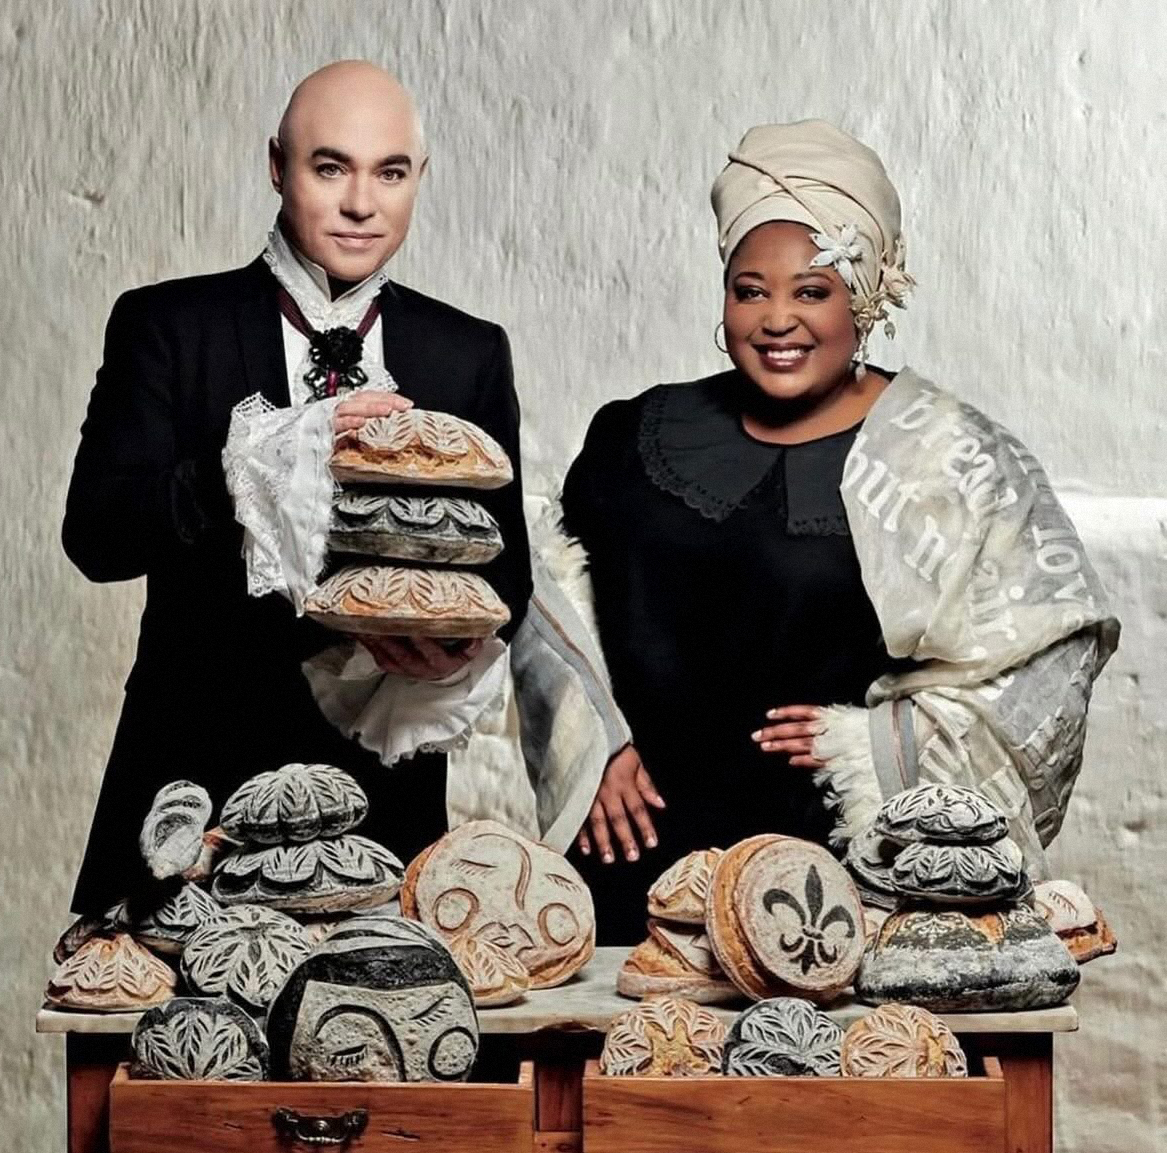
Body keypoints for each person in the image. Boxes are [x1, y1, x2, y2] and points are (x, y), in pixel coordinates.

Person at [561, 120, 1118, 944]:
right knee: (624, 1033)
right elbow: (544, 599)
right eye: (750, 290)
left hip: (842, 875)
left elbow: (1048, 650)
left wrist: (878, 744)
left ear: (864, 297)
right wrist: (592, 743)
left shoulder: (947, 455)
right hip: (637, 861)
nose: (776, 319)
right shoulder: (634, 433)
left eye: (811, 292)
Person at [63, 61, 531, 914]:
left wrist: (449, 648)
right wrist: (256, 464)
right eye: (330, 167)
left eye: (390, 173)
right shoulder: (167, 325)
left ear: (419, 178)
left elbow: (506, 573)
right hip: (195, 776)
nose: (361, 203)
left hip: (382, 795)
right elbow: (96, 536)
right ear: (277, 166)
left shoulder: (466, 352)